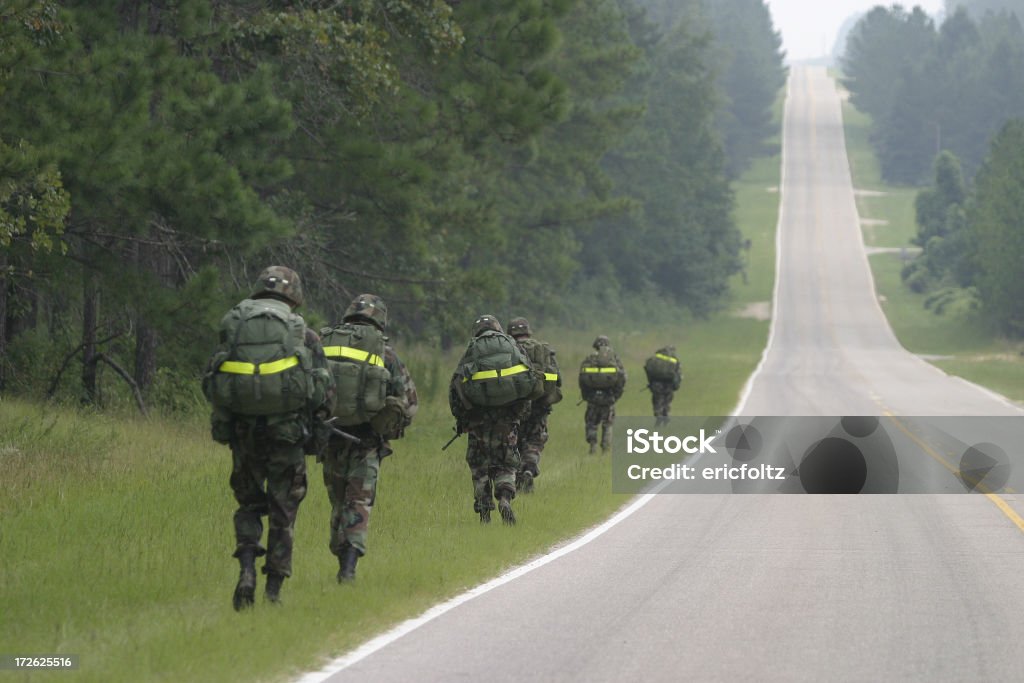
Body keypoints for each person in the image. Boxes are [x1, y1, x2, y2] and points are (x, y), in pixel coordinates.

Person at [203, 266, 333, 610]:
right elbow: (321, 390)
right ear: (294, 295)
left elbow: (214, 378)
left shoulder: (235, 324)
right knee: (283, 511)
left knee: (248, 505)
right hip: (287, 435)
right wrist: (317, 433)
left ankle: (246, 568)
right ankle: (273, 591)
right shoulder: (303, 333)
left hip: (244, 433)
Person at [319, 294, 417, 582]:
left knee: (338, 502)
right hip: (367, 441)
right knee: (358, 502)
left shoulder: (325, 343)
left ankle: (341, 553)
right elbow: (409, 402)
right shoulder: (383, 352)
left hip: (331, 438)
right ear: (380, 319)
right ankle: (348, 566)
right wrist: (392, 423)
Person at [449, 315, 541, 524]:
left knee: (479, 465)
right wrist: (520, 413)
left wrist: (461, 418)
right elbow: (528, 381)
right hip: (507, 418)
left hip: (478, 421)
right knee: (507, 462)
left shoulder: (473, 350)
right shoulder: (511, 347)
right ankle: (505, 497)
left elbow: (456, 386)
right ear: (498, 328)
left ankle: (484, 511)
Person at [506, 316, 562, 493]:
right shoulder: (543, 350)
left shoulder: (508, 350)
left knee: (514, 442)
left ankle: (515, 478)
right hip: (539, 406)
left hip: (514, 406)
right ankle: (529, 469)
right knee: (534, 441)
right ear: (528, 331)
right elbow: (557, 379)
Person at [578, 335, 626, 454]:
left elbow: (582, 379)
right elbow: (622, 379)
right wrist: (616, 395)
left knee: (591, 423)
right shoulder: (614, 359)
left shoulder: (589, 359)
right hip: (609, 397)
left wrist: (586, 395)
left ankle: (592, 446)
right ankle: (605, 448)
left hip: (592, 398)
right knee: (608, 424)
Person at [644, 346, 682, 426]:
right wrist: (676, 385)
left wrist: (650, 383)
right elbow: (678, 373)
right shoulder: (673, 359)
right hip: (669, 384)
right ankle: (666, 417)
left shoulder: (654, 359)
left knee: (657, 400)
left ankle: (658, 416)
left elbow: (648, 370)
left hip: (656, 384)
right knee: (667, 401)